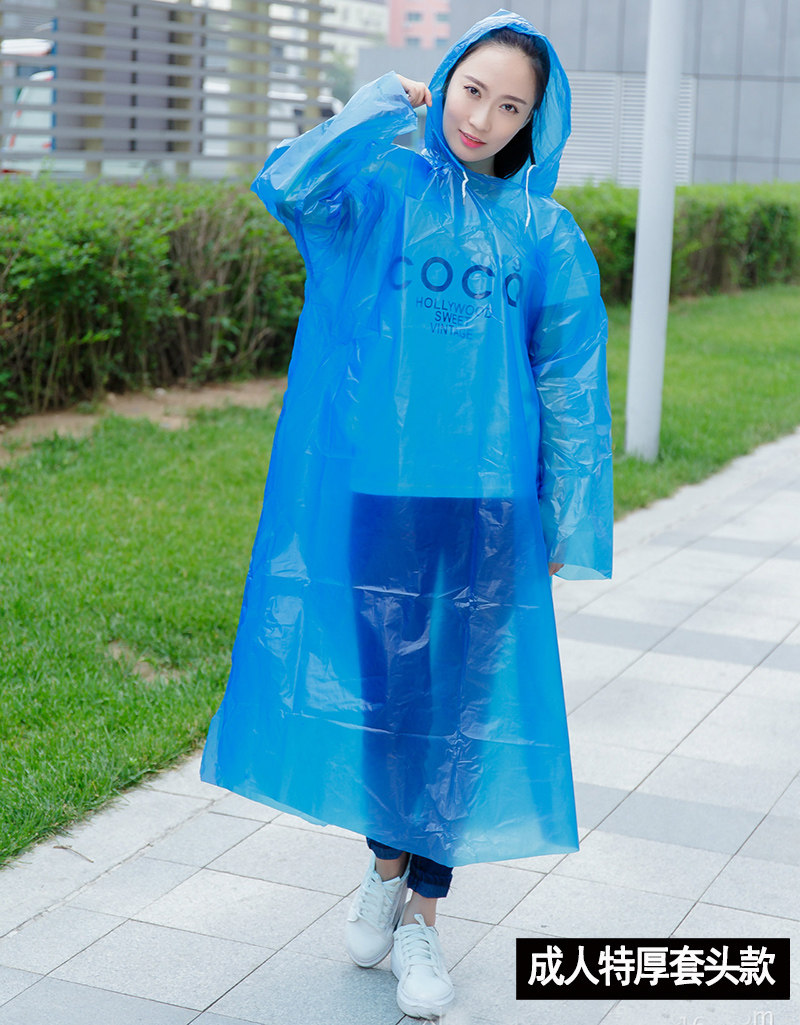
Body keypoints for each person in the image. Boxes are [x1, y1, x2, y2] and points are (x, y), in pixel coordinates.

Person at [200, 8, 612, 1020]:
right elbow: (288, 183)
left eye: (510, 107)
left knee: (458, 708)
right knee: (388, 697)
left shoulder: (542, 233)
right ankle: (385, 865)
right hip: (377, 488)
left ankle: (424, 913)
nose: (483, 118)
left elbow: (569, 381)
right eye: (472, 90)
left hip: (488, 508)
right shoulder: (379, 191)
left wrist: (564, 512)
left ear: (531, 122)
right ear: (445, 79)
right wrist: (378, 105)